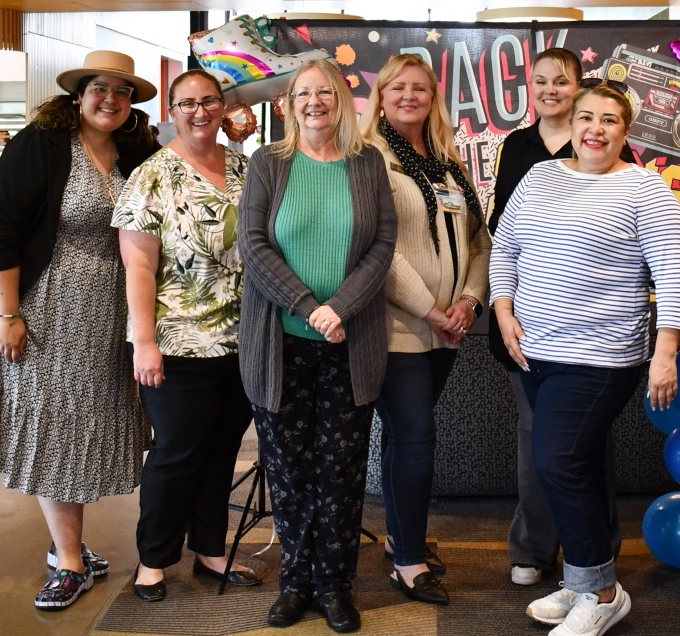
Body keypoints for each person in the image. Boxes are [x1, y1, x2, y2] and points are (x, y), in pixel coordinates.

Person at [491, 82, 680, 636]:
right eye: (585, 117)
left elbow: (673, 276)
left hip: (600, 356)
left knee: (557, 463)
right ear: (570, 123)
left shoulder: (645, 191)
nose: (594, 129)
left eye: (608, 119)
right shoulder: (540, 177)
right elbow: (505, 247)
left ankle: (601, 592)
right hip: (534, 352)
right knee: (578, 466)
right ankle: (583, 580)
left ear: (626, 131)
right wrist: (504, 310)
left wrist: (665, 352)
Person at [0, 50, 159, 610]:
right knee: (55, 423)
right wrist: (9, 314)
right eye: (99, 88)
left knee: (86, 424)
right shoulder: (43, 144)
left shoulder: (133, 152)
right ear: (78, 95)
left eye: (122, 92)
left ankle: (68, 545)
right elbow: (1, 228)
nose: (110, 99)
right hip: (43, 307)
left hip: (104, 314)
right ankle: (70, 561)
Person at [238, 59, 396, 631]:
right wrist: (310, 308)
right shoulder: (267, 164)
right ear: (287, 105)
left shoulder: (366, 163)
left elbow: (382, 244)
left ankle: (334, 586)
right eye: (302, 93)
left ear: (341, 100)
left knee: (342, 469)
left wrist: (339, 310)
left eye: (324, 92)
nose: (313, 102)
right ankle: (295, 581)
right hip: (280, 343)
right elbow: (254, 246)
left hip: (351, 345)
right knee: (287, 468)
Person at [486, 47, 631, 587]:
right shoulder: (517, 147)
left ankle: (594, 554)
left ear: (580, 89)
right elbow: (505, 234)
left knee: (585, 445)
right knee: (537, 443)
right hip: (526, 326)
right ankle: (533, 548)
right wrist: (504, 309)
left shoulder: (605, 142)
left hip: (594, 340)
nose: (550, 90)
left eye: (561, 82)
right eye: (540, 81)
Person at [112, 69, 258, 602]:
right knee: (177, 452)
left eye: (210, 102)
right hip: (177, 342)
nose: (200, 112)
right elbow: (139, 268)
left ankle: (211, 552)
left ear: (224, 108)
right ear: (172, 111)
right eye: (188, 103)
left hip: (244, 341)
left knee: (222, 450)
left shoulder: (245, 167)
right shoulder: (151, 175)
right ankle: (153, 559)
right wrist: (144, 341)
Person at [361, 53, 491, 607]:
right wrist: (428, 308)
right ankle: (409, 560)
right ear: (382, 95)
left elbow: (480, 241)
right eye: (399, 88)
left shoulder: (445, 160)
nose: (410, 96)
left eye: (420, 88)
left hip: (448, 329)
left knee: (407, 436)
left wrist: (469, 299)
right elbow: (376, 249)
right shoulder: (369, 157)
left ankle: (400, 538)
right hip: (397, 326)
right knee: (415, 436)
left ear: (433, 96)